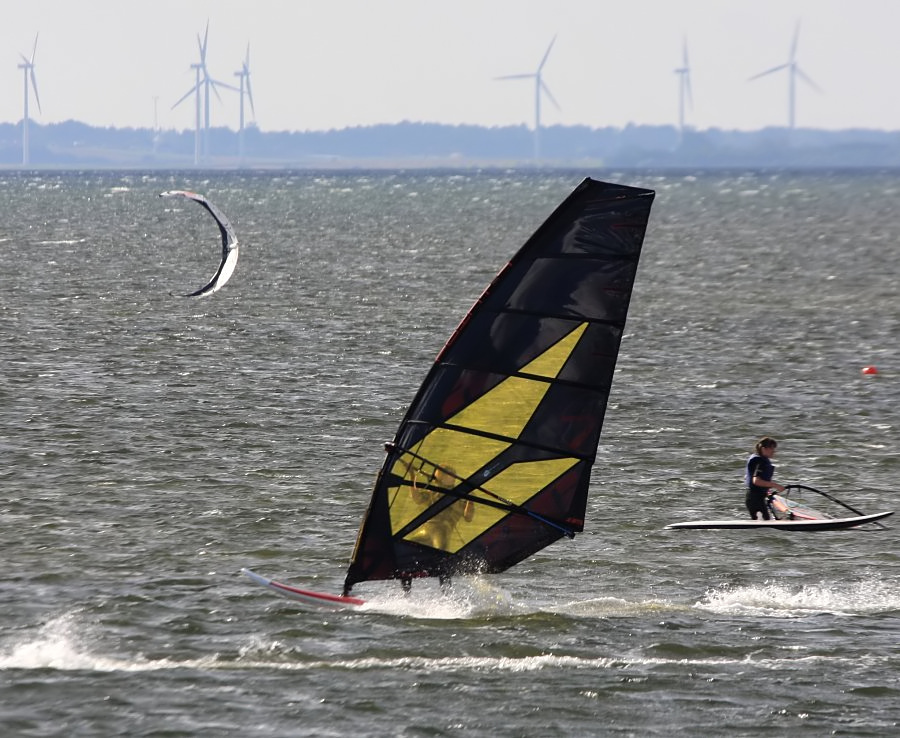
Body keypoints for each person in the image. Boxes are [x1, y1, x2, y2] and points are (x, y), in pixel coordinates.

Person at [744, 436, 785, 520]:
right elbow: (756, 481)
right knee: (765, 525)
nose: (774, 451)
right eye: (772, 449)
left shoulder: (759, 459)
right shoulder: (759, 461)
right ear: (763, 449)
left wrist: (767, 490)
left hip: (755, 497)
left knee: (762, 525)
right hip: (755, 499)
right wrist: (775, 485)